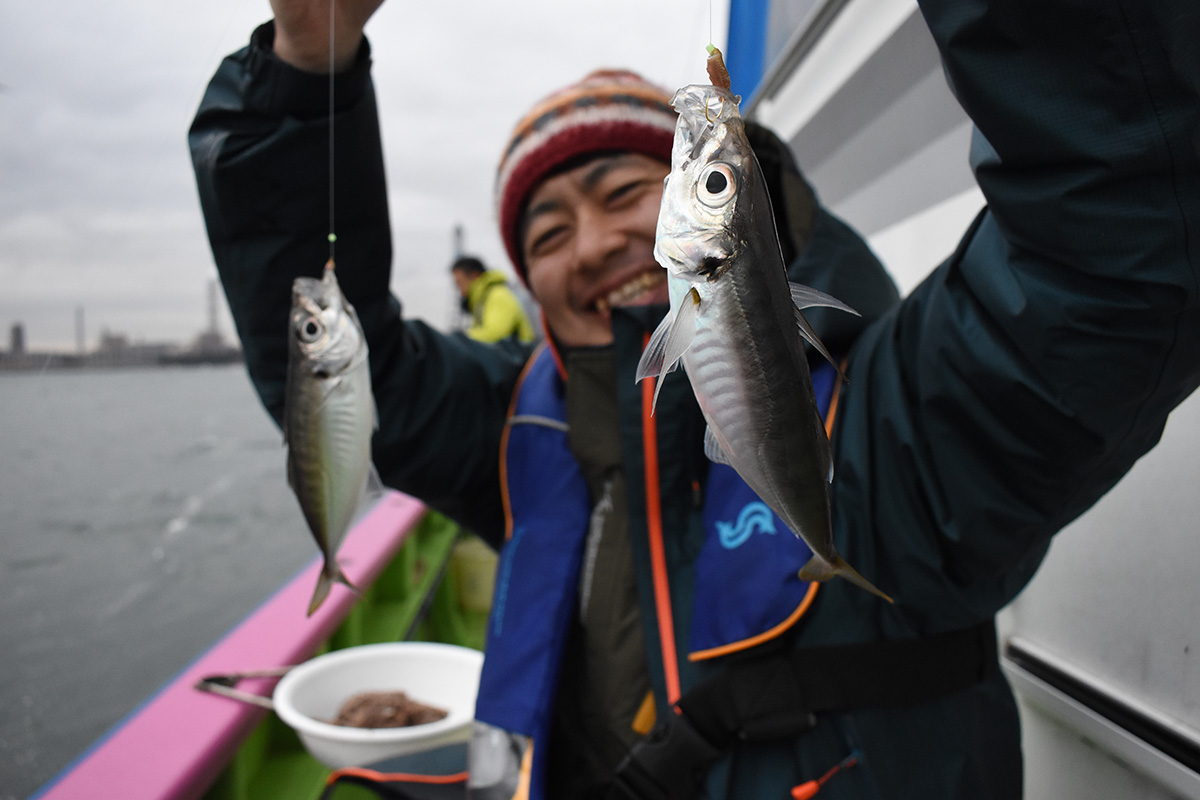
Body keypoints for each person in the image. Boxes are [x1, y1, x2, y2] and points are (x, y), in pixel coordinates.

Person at [190, 1, 1200, 798]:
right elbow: (322, 355)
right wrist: (303, 70)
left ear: (730, 203)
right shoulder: (507, 434)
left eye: (627, 192)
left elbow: (1117, 239)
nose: (590, 245)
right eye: (546, 234)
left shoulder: (901, 419)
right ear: (532, 288)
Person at [450, 256, 536, 344]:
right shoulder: (481, 302)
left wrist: (459, 339)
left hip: (520, 355)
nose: (459, 290)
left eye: (459, 283)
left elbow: (496, 333)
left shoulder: (497, 294)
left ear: (475, 276)